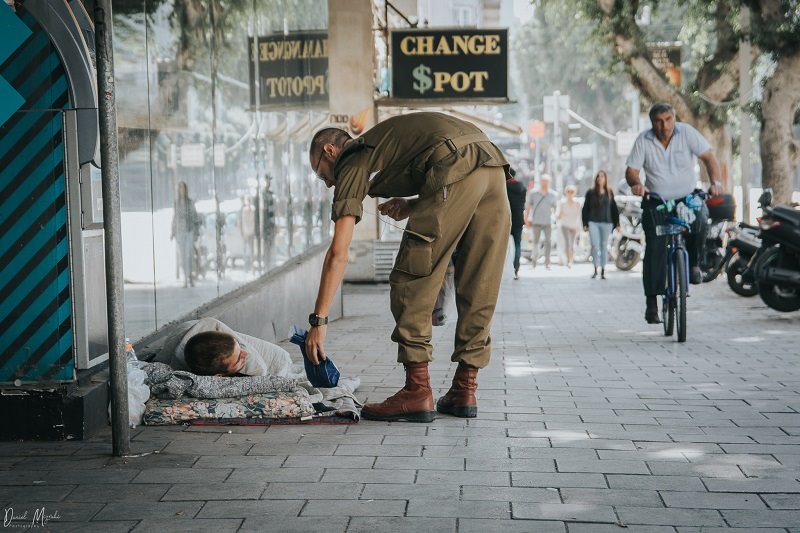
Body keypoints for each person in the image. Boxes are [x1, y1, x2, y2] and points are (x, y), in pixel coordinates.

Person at [306, 112, 511, 423]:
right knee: (481, 282)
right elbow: (454, 171)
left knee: (410, 277)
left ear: (330, 151)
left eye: (322, 175)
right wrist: (413, 205)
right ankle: (464, 388)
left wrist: (318, 321)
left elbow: (339, 252)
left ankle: (417, 391)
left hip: (459, 164)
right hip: (491, 167)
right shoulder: (388, 141)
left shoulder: (353, 155)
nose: (328, 183)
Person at [625, 102, 722, 323]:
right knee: (654, 248)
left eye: (668, 120)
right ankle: (652, 303)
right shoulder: (644, 140)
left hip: (686, 198)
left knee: (701, 219)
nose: (664, 125)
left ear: (674, 119)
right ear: (652, 123)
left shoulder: (687, 133)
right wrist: (637, 184)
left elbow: (709, 158)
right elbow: (632, 171)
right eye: (659, 121)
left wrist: (716, 182)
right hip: (656, 201)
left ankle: (694, 263)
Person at [152, 317, 293, 377]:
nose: (245, 354)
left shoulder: (229, 341)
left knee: (280, 361)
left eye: (239, 351)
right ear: (219, 375)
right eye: (238, 359)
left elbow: (261, 371)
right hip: (188, 341)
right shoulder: (177, 366)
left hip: (199, 329)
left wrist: (237, 350)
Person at [581, 171, 620, 279]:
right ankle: (595, 269)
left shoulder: (609, 192)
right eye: (598, 176)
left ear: (605, 178)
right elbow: (585, 208)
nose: (600, 178)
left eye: (602, 176)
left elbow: (614, 208)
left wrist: (617, 223)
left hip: (607, 222)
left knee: (604, 246)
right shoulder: (590, 192)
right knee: (595, 245)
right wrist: (584, 223)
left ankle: (602, 270)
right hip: (593, 222)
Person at [524, 174, 557, 270]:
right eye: (543, 181)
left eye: (546, 181)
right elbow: (528, 207)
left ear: (549, 183)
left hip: (548, 222)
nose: (545, 183)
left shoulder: (552, 194)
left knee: (548, 242)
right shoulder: (533, 193)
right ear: (540, 182)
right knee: (536, 242)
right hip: (536, 221)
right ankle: (534, 262)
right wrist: (526, 220)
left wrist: (556, 218)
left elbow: (555, 208)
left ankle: (547, 263)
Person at [170, 181, 199, 288]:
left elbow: (195, 216)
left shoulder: (190, 203)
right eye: (180, 188)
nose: (182, 190)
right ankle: (186, 279)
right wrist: (172, 232)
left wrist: (196, 232)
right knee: (182, 257)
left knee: (189, 255)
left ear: (186, 190)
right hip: (180, 232)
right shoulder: (176, 203)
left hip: (189, 231)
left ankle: (190, 276)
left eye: (183, 188)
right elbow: (174, 218)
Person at [506, 167, 527, 279]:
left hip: (505, 220)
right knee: (518, 245)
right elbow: (523, 204)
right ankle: (516, 270)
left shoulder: (503, 187)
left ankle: (501, 270)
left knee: (502, 246)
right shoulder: (522, 187)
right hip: (518, 219)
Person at [556, 184, 582, 268]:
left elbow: (579, 216)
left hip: (574, 226)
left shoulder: (577, 203)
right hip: (564, 225)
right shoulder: (562, 202)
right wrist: (558, 215)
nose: (570, 193)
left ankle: (571, 259)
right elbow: (558, 214)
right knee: (567, 243)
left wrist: (579, 227)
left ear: (574, 193)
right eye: (568, 191)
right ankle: (568, 261)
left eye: (572, 192)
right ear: (566, 192)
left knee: (572, 244)